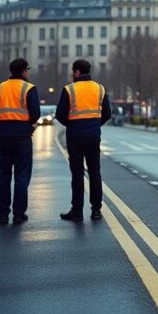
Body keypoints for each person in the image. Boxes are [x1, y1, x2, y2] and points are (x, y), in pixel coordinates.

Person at [56, 59, 111, 222]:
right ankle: (96, 210)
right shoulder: (100, 89)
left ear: (77, 72)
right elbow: (107, 113)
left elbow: (60, 115)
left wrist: (73, 125)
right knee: (95, 172)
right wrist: (93, 124)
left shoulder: (69, 89)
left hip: (75, 137)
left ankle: (77, 210)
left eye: (73, 71)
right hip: (93, 136)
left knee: (77, 173)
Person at [0, 58, 41, 225]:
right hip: (22, 137)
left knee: (3, 175)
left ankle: (3, 214)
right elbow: (36, 113)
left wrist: (5, 121)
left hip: (3, 136)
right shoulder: (29, 88)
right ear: (24, 70)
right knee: (22, 176)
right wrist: (27, 125)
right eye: (28, 69)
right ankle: (19, 214)